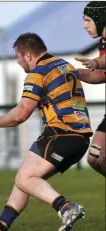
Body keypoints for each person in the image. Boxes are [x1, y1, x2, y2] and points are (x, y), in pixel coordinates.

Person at [0, 33, 92, 231]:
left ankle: (66, 207)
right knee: (24, 178)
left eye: (17, 56)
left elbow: (22, 112)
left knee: (25, 178)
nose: (17, 61)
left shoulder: (37, 72)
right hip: (79, 137)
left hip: (61, 133)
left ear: (27, 54)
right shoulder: (64, 65)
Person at [75, 1, 106, 176]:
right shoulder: (103, 42)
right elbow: (102, 75)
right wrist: (76, 74)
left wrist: (96, 62)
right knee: (94, 159)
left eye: (88, 20)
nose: (84, 25)